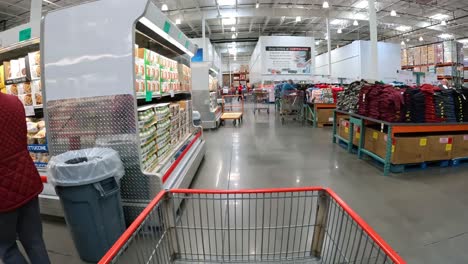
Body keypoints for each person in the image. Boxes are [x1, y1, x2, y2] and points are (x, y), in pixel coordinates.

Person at [0, 93, 50, 264]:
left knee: (7, 247)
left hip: (3, 195)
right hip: (26, 181)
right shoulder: (14, 101)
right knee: (35, 241)